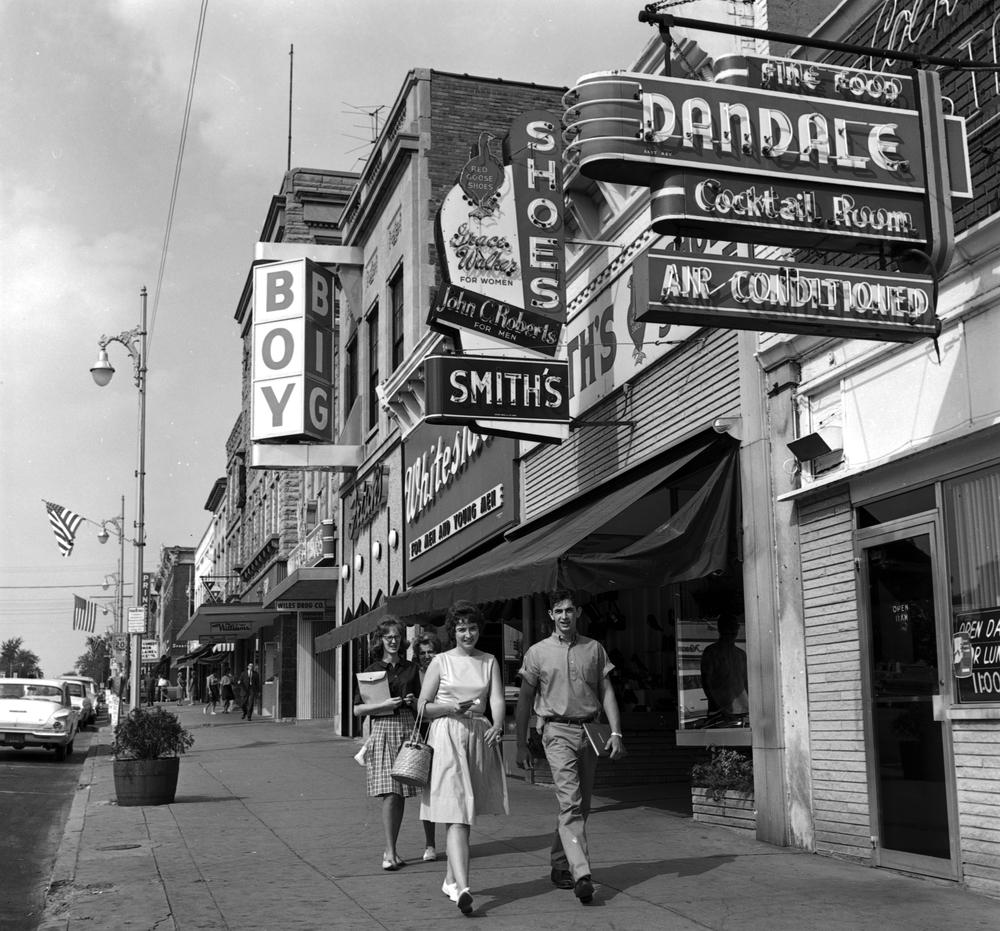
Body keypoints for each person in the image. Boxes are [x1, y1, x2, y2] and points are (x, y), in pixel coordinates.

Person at [515, 588, 626, 905]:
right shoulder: (537, 653)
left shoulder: (594, 648)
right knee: (571, 802)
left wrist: (616, 733)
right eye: (558, 611)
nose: (564, 616)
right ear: (551, 615)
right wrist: (521, 744)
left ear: (578, 613)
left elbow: (606, 691)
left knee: (581, 805)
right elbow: (524, 700)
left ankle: (560, 863)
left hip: (590, 732)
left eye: (570, 610)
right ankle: (582, 874)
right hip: (556, 732)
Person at [418, 601, 508, 916]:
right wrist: (449, 708)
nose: (467, 634)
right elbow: (422, 706)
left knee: (465, 811)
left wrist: (498, 725)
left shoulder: (489, 661)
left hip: (477, 737)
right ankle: (463, 889)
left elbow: (496, 698)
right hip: (446, 736)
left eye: (471, 628)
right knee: (456, 813)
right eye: (460, 628)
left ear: (478, 630)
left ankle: (449, 880)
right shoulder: (440, 662)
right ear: (452, 631)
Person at [354, 618, 420, 872]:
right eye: (388, 637)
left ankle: (393, 848)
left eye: (397, 636)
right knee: (390, 793)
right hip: (383, 728)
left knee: (401, 792)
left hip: (406, 727)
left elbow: (422, 704)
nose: (393, 641)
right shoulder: (372, 670)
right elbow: (358, 708)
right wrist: (384, 705)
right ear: (380, 640)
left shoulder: (412, 669)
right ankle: (389, 851)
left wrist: (413, 700)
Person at [413, 631, 442, 863]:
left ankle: (457, 838)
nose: (426, 656)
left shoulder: (445, 671)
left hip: (443, 730)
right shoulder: (415, 673)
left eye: (430, 651)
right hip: (421, 732)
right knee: (428, 788)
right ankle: (430, 843)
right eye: (422, 653)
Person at [700, 613, 749, 727]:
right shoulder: (711, 652)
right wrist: (720, 709)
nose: (732, 631)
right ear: (720, 629)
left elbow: (747, 684)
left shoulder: (741, 655)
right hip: (718, 714)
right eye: (728, 627)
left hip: (740, 711)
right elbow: (706, 683)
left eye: (734, 627)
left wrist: (749, 707)